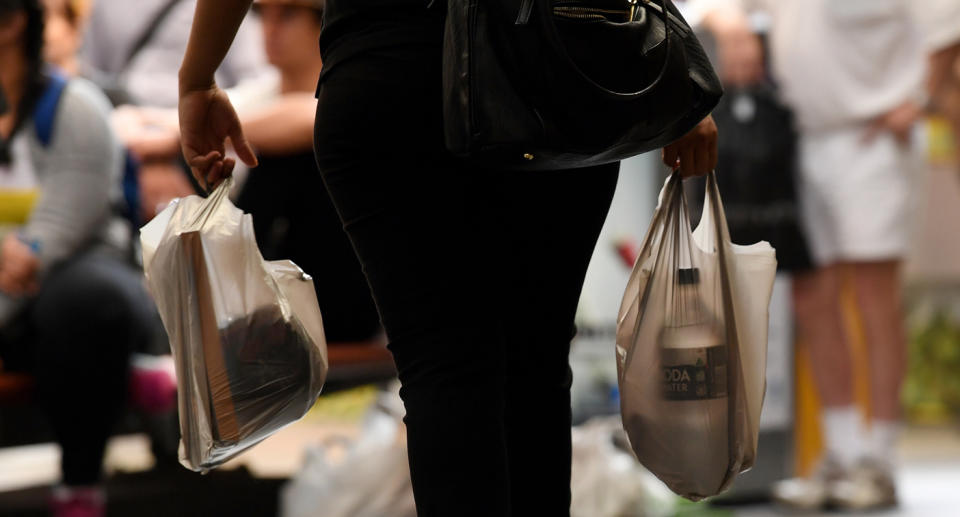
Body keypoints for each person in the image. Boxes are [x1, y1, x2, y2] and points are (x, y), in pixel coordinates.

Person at [176, 1, 718, 516]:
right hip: (548, 63)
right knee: (535, 366)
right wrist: (672, 71)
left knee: (444, 366)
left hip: (391, 64)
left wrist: (198, 76)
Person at [693, 0, 959, 510]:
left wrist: (919, 99)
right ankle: (841, 453)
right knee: (811, 297)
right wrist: (733, 26)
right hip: (799, 137)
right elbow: (707, 4)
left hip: (877, 139)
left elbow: (948, 26)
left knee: (873, 297)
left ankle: (878, 461)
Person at [0, 1, 160, 515]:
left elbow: (64, 223)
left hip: (72, 283)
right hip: (13, 295)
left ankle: (80, 483)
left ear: (11, 23)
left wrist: (28, 258)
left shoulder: (76, 105)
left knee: (86, 301)